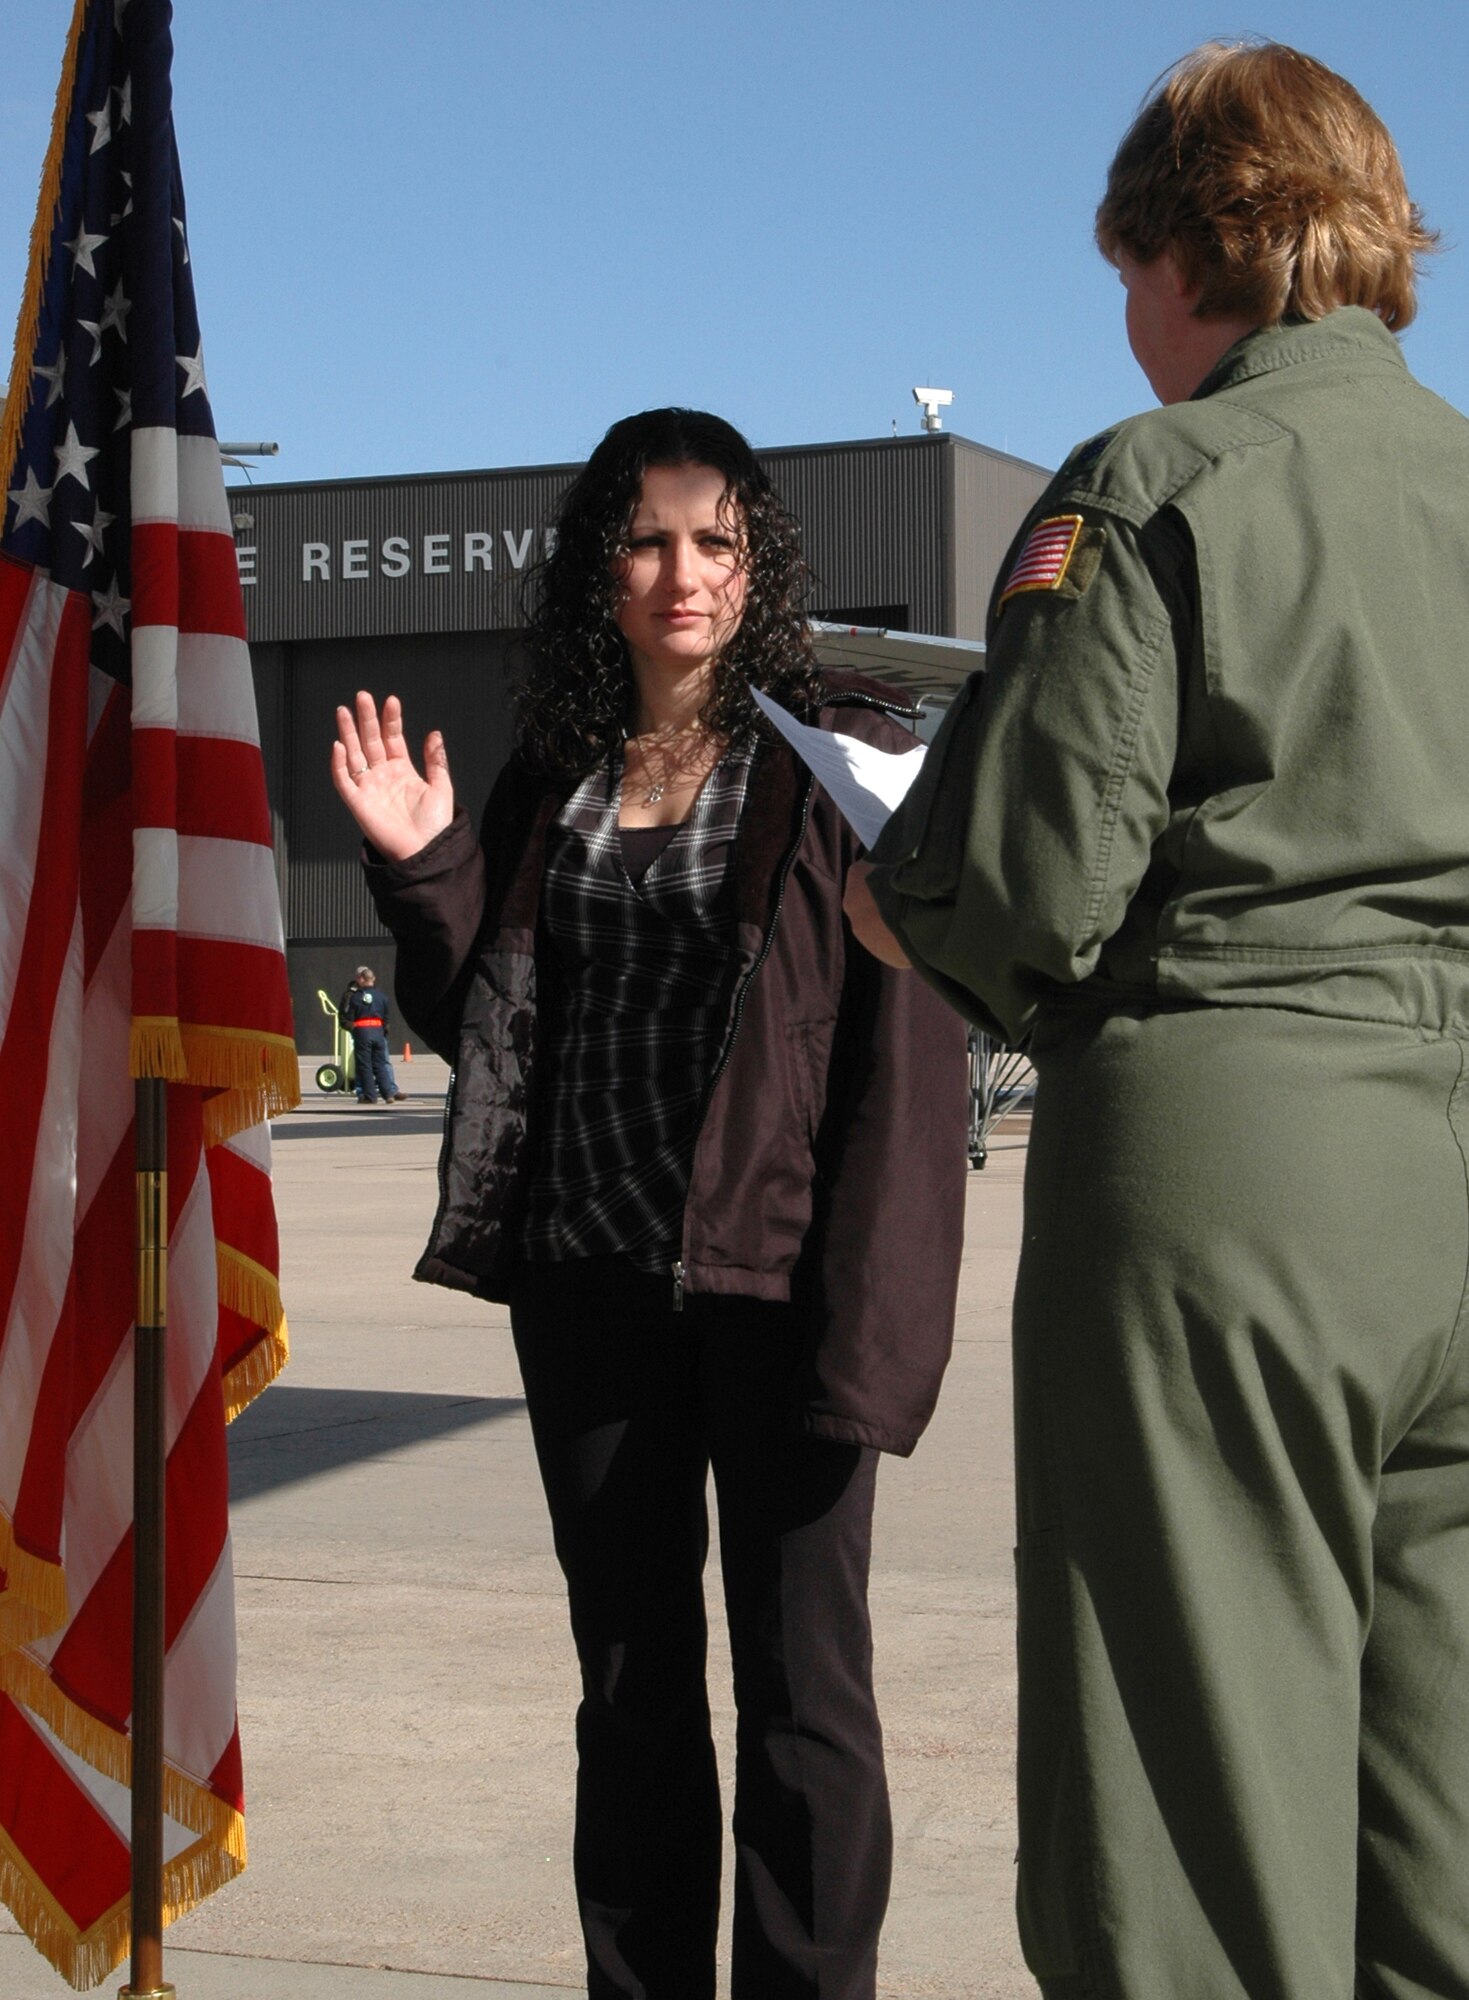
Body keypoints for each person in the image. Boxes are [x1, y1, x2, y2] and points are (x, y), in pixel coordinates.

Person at [850, 41, 1469, 2000]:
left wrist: (893, 899)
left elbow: (1030, 884)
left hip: (1234, 1160)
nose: (1119, 319)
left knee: (1187, 1802)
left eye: (1122, 268)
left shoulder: (1154, 477)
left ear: (1194, 244)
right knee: (1431, 1799)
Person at [329, 407, 968, 2000]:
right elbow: (488, 1017)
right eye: (646, 539)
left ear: (758, 567)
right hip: (589, 1283)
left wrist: (879, 1333)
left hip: (779, 1293)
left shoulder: (851, 753)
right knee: (628, 1684)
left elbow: (910, 1061)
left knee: (805, 1696)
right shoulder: (558, 774)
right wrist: (425, 869)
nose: (682, 572)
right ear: (596, 571)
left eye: (715, 540)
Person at [339, 963, 404, 1104]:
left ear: (362, 979)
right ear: (373, 979)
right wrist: (383, 1031)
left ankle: (370, 1096)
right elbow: (386, 1017)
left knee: (365, 1065)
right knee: (380, 1064)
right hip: (378, 1033)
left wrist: (352, 1028)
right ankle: (388, 1094)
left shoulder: (355, 997)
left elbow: (348, 1017)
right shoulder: (382, 997)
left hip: (362, 1033)